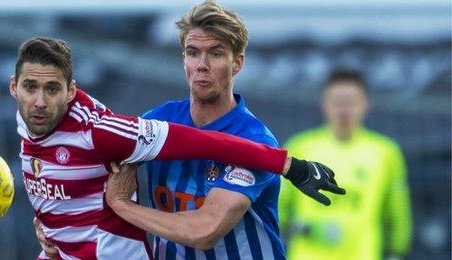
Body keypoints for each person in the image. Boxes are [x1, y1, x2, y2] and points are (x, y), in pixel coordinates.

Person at [11, 36, 343, 259]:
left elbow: (204, 226)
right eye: (30, 87)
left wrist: (289, 166)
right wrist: (51, 225)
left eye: (51, 89)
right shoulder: (31, 122)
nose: (39, 101)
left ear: (70, 92)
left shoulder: (103, 133)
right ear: (14, 88)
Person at [98, 1, 347, 259]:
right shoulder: (158, 121)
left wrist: (122, 205)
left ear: (237, 63)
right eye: (193, 52)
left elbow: (205, 230)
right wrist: (54, 232)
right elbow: (95, 177)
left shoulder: (254, 140)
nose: (202, 65)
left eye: (215, 53)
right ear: (184, 58)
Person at [278, 69, 412, 260]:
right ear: (324, 104)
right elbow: (277, 208)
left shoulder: (386, 152)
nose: (344, 110)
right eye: (337, 103)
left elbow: (399, 213)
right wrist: (304, 228)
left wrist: (397, 253)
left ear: (366, 105)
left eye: (351, 103)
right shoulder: (299, 147)